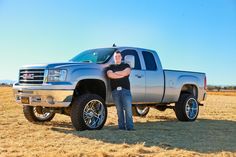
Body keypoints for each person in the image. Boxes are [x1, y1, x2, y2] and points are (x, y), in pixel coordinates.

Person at [106, 50, 134, 131]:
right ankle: (121, 127)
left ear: (121, 57)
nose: (117, 58)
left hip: (125, 90)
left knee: (128, 109)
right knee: (119, 110)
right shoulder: (110, 67)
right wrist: (121, 74)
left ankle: (130, 128)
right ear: (114, 58)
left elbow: (127, 72)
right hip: (115, 92)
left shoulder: (126, 65)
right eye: (115, 56)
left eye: (118, 56)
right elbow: (110, 75)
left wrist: (116, 73)